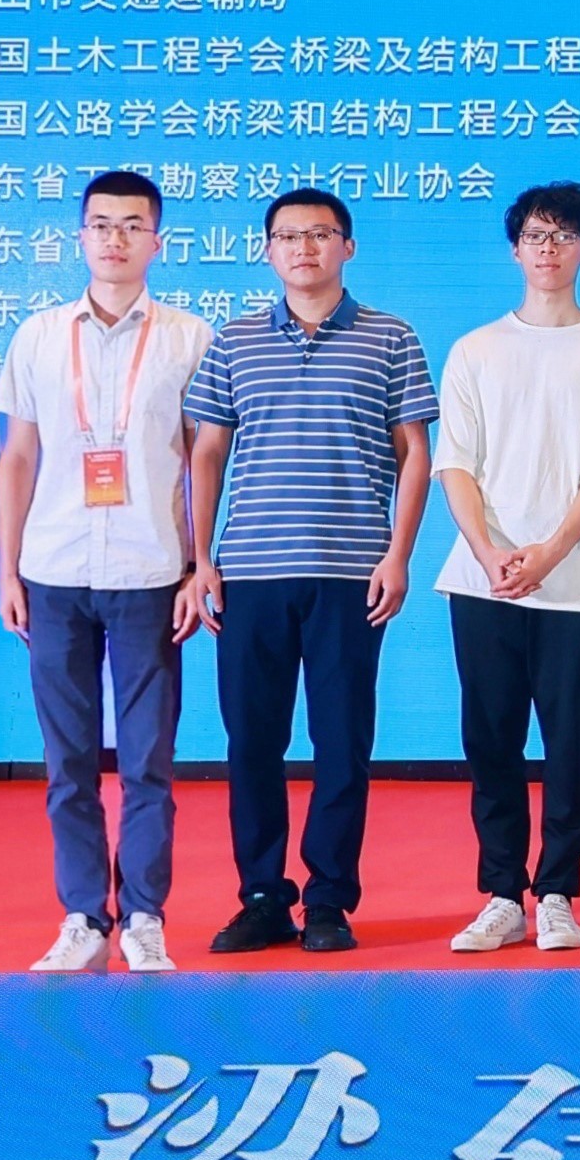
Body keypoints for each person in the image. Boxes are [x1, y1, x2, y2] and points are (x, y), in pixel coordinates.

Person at [180, 187, 435, 957]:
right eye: (288, 236)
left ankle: (328, 899)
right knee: (251, 743)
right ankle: (261, 897)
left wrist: (398, 554)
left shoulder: (391, 337)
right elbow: (207, 452)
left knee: (341, 743)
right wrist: (200, 561)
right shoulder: (234, 341)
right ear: (268, 251)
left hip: (351, 574)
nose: (304, 248)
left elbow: (415, 454)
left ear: (347, 247)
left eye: (320, 234)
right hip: (251, 573)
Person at [0, 169, 210, 975]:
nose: (115, 238)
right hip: (53, 571)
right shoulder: (38, 336)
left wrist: (199, 566)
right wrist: (7, 568)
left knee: (148, 761)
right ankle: (83, 917)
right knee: (68, 764)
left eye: (132, 225)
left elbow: (203, 462)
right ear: (80, 237)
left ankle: (144, 916)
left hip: (151, 572)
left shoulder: (190, 338)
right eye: (101, 224)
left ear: (158, 241)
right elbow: (18, 456)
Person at [432, 182, 580, 956]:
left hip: (575, 580)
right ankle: (501, 894)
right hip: (482, 579)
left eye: (562, 236)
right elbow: (455, 465)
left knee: (569, 744)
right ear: (514, 249)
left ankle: (557, 891)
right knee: (490, 740)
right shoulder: (475, 349)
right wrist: (489, 552)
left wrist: (551, 551)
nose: (547, 249)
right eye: (534, 235)